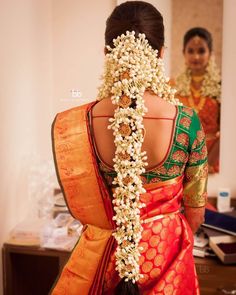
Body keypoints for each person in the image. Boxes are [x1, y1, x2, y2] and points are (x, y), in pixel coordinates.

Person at [51, 2, 208, 294]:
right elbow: (196, 213)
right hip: (167, 255)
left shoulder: (77, 123)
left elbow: (81, 208)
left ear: (107, 53)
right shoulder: (186, 122)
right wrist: (161, 230)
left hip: (105, 256)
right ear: (160, 54)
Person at [174, 27, 221, 173]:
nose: (196, 57)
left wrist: (209, 162)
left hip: (213, 158)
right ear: (184, 53)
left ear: (210, 54)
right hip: (181, 160)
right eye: (191, 51)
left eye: (201, 51)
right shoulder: (173, 87)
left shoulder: (221, 87)